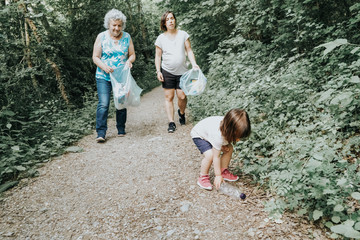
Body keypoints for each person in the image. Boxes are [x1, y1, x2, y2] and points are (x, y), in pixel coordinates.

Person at [92, 9, 136, 142]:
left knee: (120, 102)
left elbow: (132, 54)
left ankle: (121, 128)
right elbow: (95, 57)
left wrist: (129, 61)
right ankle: (101, 132)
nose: (117, 28)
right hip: (103, 76)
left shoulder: (127, 37)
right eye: (114, 25)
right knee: (104, 104)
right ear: (108, 24)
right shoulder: (101, 36)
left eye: (119, 25)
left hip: (121, 76)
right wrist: (104, 67)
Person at [155, 11, 199, 133]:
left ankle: (182, 112)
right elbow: (158, 57)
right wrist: (158, 71)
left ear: (175, 20)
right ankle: (171, 122)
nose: (170, 21)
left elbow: (189, 50)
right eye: (168, 19)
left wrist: (194, 63)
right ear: (164, 23)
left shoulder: (183, 35)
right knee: (169, 97)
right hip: (167, 71)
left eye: (172, 18)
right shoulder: (161, 38)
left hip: (183, 72)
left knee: (182, 96)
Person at [190, 109, 251, 190]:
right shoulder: (217, 135)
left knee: (229, 148)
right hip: (199, 135)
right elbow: (216, 157)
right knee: (210, 155)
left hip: (210, 135)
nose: (238, 140)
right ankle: (203, 177)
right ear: (229, 130)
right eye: (236, 137)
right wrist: (218, 175)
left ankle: (223, 171)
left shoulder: (228, 126)